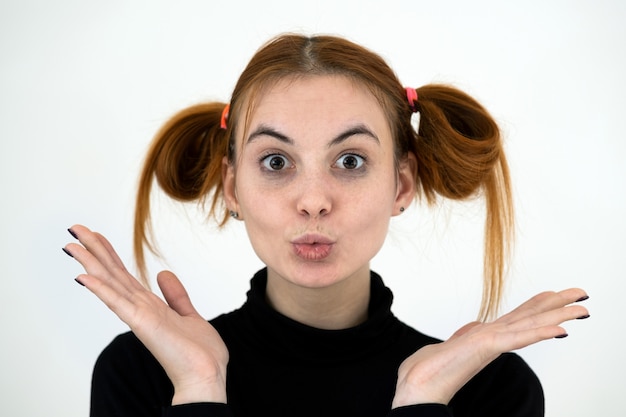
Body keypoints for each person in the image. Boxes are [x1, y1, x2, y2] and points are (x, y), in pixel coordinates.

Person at [63, 34, 589, 417]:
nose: (313, 201)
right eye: (275, 161)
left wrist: (422, 402)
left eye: (351, 161)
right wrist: (200, 390)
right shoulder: (141, 373)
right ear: (232, 188)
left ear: (401, 186)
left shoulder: (489, 389)